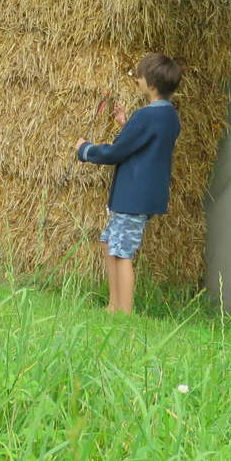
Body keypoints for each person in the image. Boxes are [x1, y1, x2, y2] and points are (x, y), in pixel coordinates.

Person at [75, 53, 183, 314]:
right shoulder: (169, 116)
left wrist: (85, 149)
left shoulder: (146, 116)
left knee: (122, 253)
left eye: (140, 77)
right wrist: (127, 125)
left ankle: (124, 311)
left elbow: (116, 153)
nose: (138, 81)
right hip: (139, 195)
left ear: (152, 85)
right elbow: (144, 143)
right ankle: (114, 305)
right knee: (109, 244)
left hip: (133, 195)